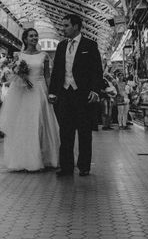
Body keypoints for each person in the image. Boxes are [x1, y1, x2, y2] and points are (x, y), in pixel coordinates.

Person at [0, 28, 60, 171]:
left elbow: (47, 76)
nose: (34, 38)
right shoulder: (19, 55)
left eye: (36, 35)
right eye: (31, 36)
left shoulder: (44, 55)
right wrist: (22, 76)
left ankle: (45, 157)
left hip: (40, 90)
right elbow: (15, 75)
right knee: (25, 124)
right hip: (24, 93)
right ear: (25, 39)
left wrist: (51, 93)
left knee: (42, 123)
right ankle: (25, 159)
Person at [48, 14, 103, 177]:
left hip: (83, 94)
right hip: (64, 94)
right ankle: (66, 166)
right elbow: (57, 71)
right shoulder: (61, 46)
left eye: (66, 25)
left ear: (77, 26)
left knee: (84, 132)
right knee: (65, 132)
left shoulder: (90, 45)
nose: (63, 28)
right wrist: (52, 91)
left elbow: (96, 70)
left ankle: (84, 166)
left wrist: (95, 90)